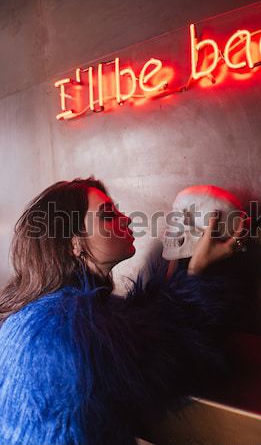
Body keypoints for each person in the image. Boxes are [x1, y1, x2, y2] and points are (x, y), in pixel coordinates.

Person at [0, 176, 247, 445]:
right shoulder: (70, 330)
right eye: (108, 215)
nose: (127, 219)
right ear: (74, 244)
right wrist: (198, 274)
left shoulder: (38, 314)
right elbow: (177, 367)